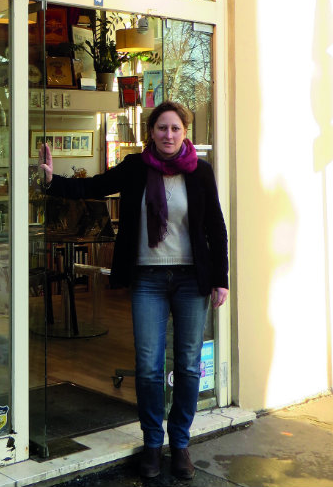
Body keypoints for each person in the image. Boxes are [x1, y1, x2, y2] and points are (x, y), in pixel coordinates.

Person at [39, 101, 228, 480]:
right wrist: (52, 180)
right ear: (151, 132)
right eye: (162, 128)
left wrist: (220, 277)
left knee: (188, 365)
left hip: (192, 279)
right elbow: (93, 186)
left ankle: (181, 444)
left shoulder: (201, 173)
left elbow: (215, 226)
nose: (169, 135)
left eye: (175, 128)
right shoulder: (135, 168)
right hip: (148, 280)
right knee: (148, 366)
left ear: (185, 132)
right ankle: (152, 444)